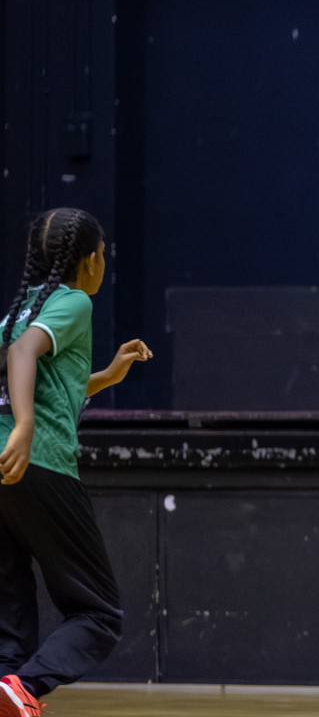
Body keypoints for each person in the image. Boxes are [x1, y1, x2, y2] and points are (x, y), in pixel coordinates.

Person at [0, 208, 153, 717]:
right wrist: (25, 426)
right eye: (103, 253)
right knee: (99, 611)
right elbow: (25, 355)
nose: (104, 262)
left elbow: (40, 376)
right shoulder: (74, 302)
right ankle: (26, 688)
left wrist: (107, 375)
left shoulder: (18, 309)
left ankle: (9, 693)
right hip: (38, 463)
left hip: (2, 468)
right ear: (89, 261)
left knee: (11, 613)